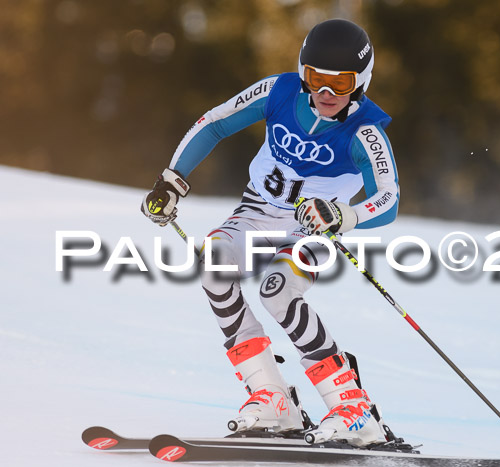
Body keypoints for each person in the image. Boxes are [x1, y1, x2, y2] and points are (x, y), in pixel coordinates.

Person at [141, 18, 399, 447]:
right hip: (257, 212)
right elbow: (214, 122)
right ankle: (273, 398)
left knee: (278, 291)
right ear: (303, 72)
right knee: (215, 267)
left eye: (342, 82)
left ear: (362, 81)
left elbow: (388, 198)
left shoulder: (365, 131)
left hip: (311, 228)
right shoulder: (278, 91)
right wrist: (172, 180)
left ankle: (353, 409)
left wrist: (342, 216)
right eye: (317, 79)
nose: (327, 93)